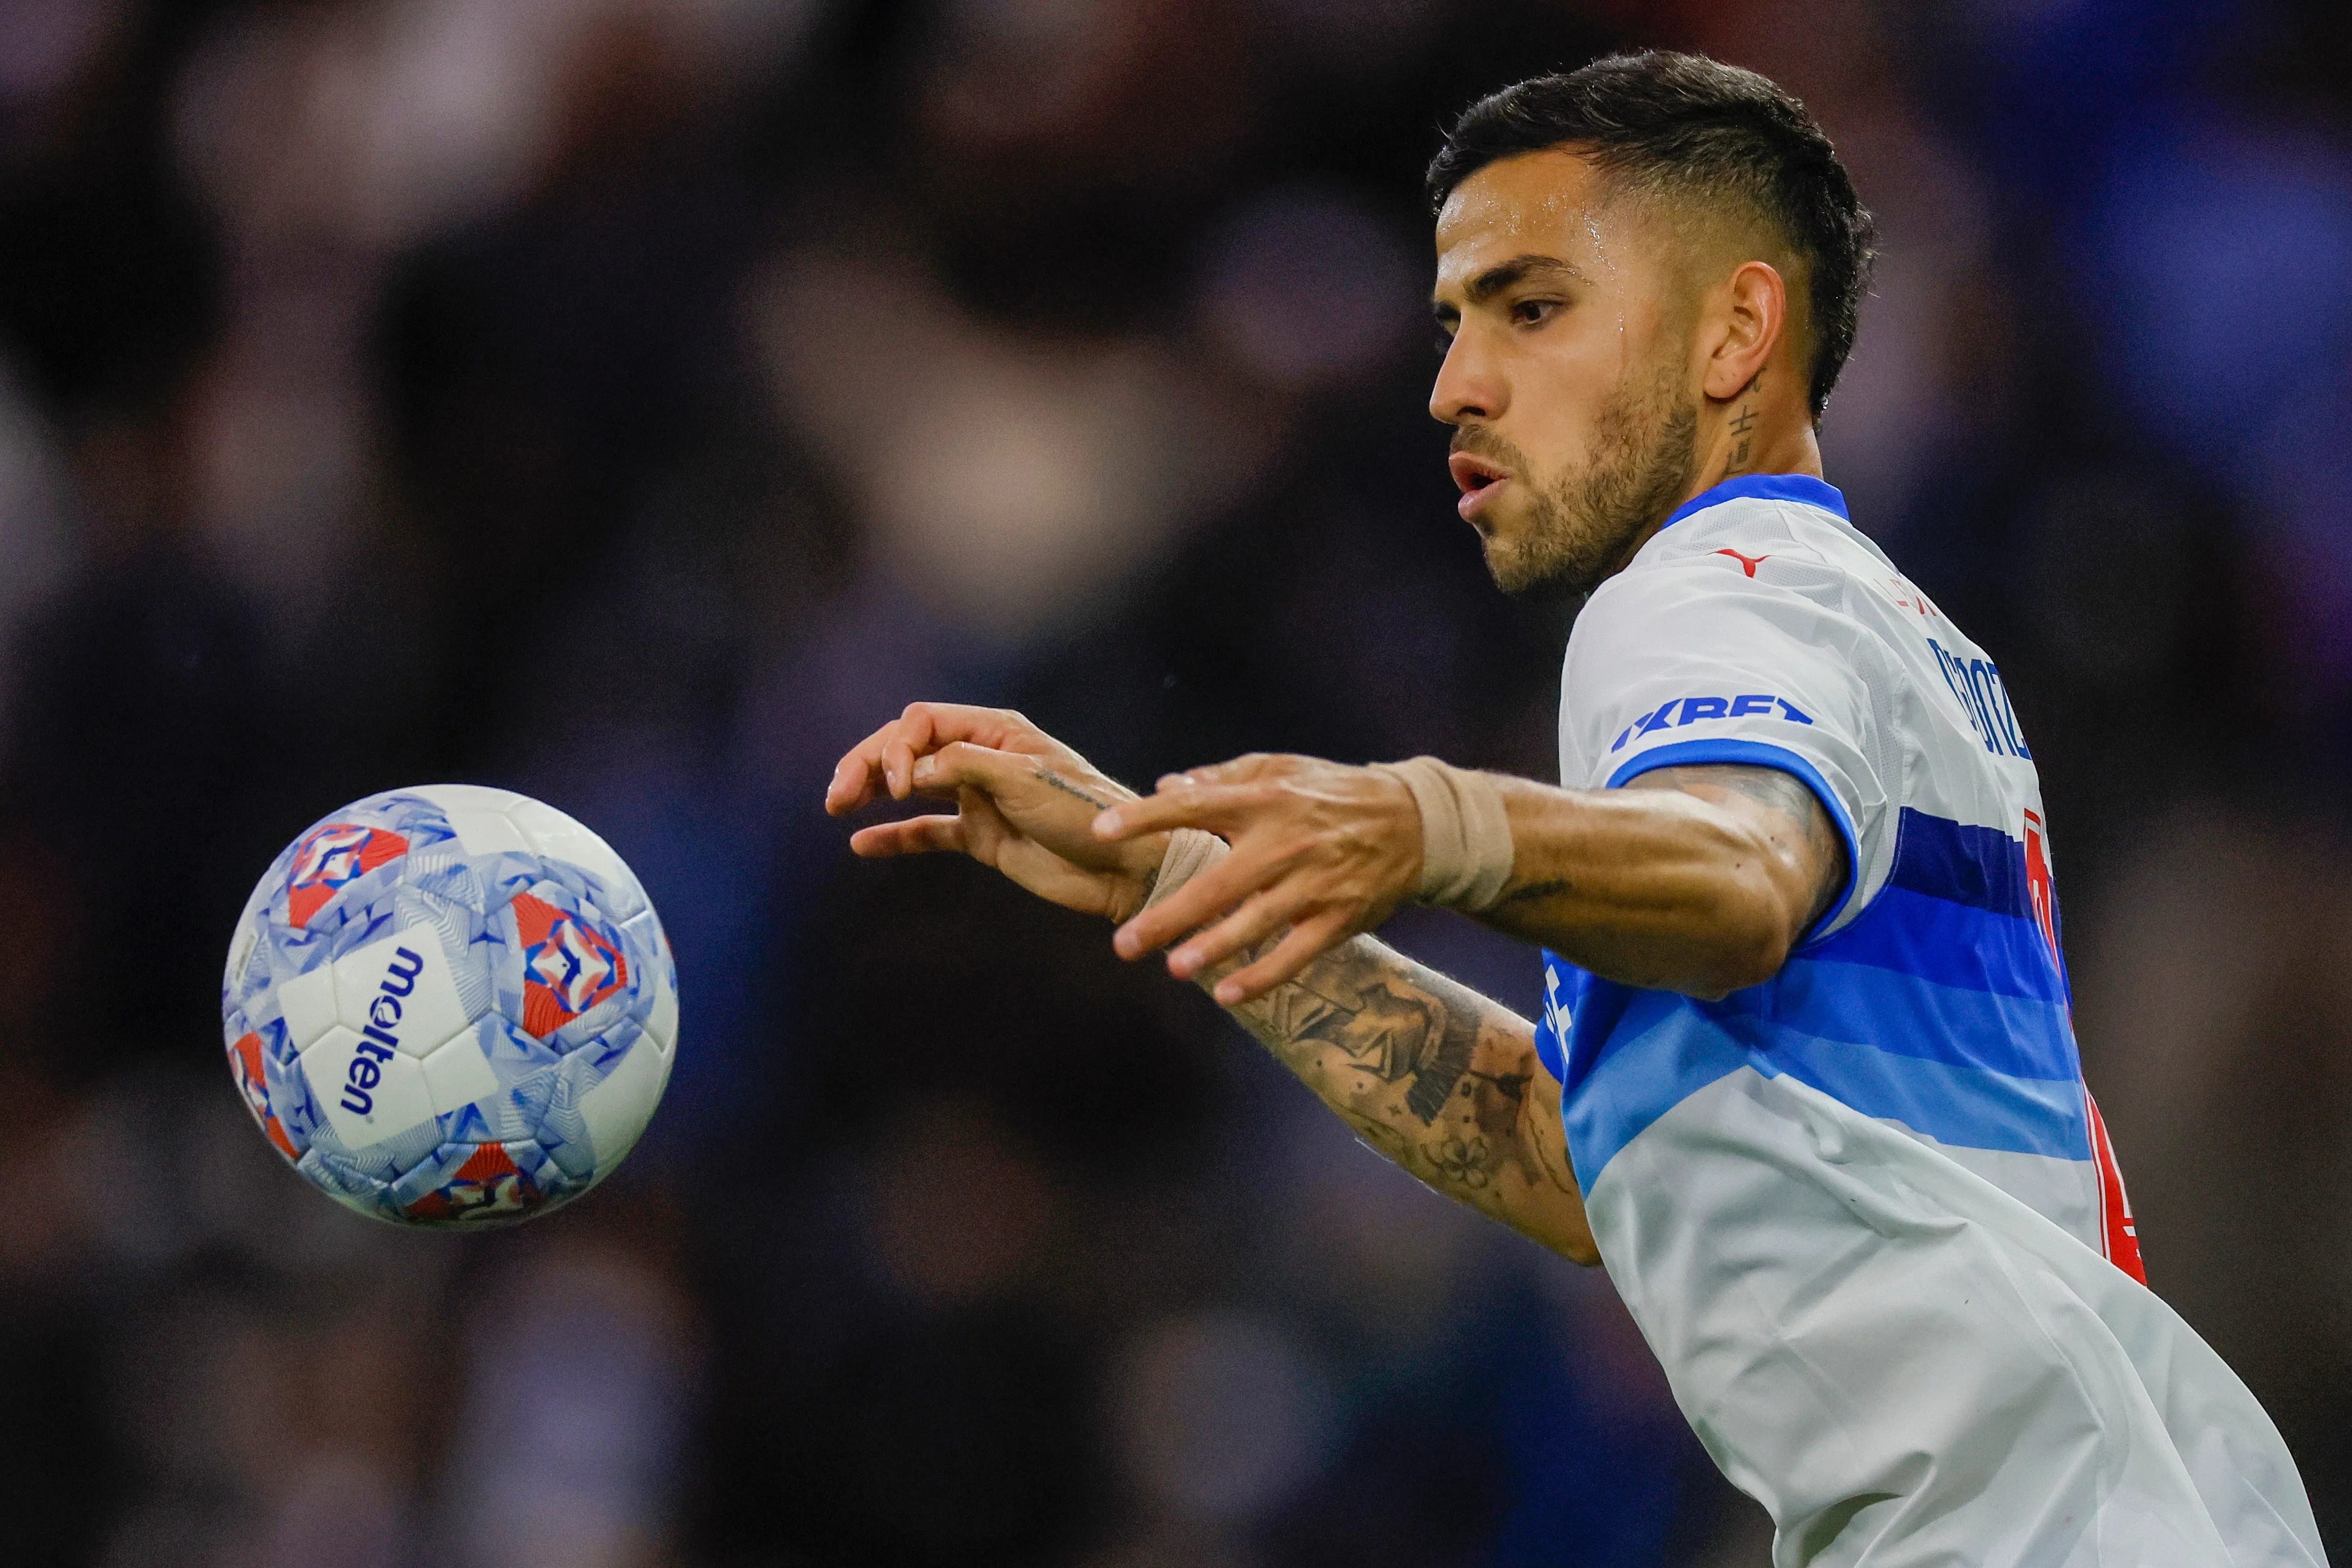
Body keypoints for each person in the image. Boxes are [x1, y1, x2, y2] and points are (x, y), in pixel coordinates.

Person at [825, 51, 2325, 1568]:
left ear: (1737, 329)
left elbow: (1745, 884)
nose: (1455, 385)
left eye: (1531, 308)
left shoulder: (1716, 587)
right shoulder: (1867, 630)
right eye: (1452, 324)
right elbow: (1574, 1159)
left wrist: (1429, 824)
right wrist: (1182, 879)